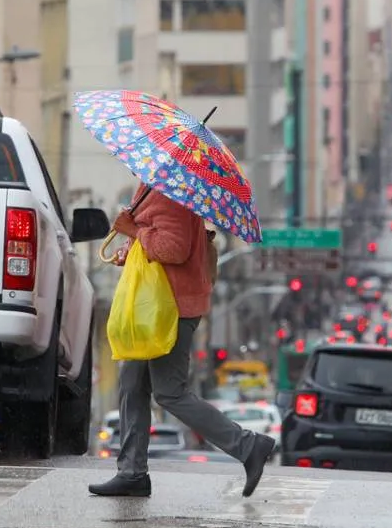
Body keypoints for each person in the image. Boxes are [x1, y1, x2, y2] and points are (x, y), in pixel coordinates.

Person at [89, 184, 276, 499]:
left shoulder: (170, 192)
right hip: (150, 306)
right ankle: (132, 472)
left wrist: (133, 230)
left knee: (170, 393)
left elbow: (174, 248)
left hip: (170, 308)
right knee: (131, 383)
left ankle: (248, 445)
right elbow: (156, 240)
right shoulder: (152, 187)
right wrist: (132, 245)